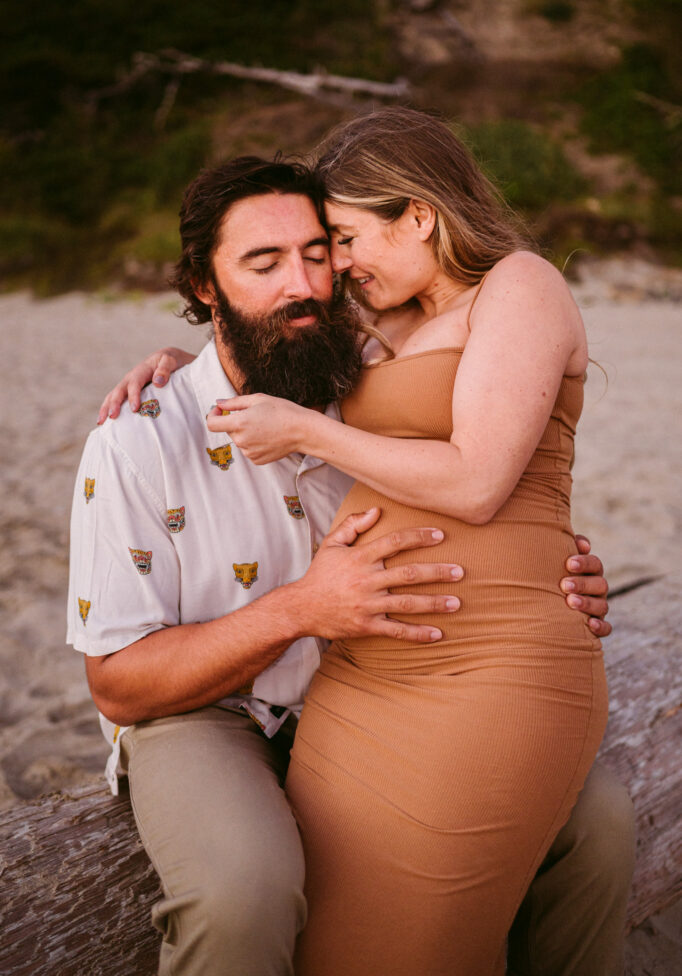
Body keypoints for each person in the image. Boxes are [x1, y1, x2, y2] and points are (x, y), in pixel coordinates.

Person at [73, 155, 632, 976]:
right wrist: (301, 608)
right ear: (203, 285)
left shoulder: (358, 381)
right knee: (243, 890)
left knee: (599, 824)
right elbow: (118, 684)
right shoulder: (136, 442)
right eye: (262, 265)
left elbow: (491, 455)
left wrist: (563, 567)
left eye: (316, 252)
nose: (301, 284)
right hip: (211, 711)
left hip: (376, 688)